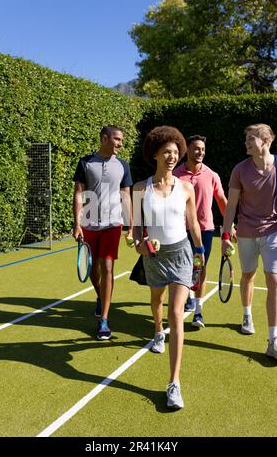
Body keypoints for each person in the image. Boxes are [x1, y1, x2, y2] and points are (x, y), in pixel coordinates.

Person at [132, 126, 204, 409]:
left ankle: (174, 383)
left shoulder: (187, 187)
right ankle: (157, 332)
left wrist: (199, 252)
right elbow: (137, 229)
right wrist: (139, 243)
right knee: (156, 301)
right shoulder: (140, 188)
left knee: (177, 313)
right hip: (154, 257)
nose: (173, 157)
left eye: (176, 152)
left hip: (182, 254)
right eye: (167, 152)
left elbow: (194, 223)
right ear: (155, 154)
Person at [222, 123, 277, 360]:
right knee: (248, 275)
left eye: (250, 139)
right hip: (246, 232)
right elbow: (231, 205)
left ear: (266, 140)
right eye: (246, 139)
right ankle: (247, 314)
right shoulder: (240, 169)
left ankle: (273, 340)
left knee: (275, 280)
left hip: (275, 232)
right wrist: (226, 236)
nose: (246, 143)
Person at [73, 126, 133, 340]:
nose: (120, 143)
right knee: (92, 269)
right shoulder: (85, 162)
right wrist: (77, 223)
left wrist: (130, 225)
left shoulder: (123, 165)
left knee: (107, 265)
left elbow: (126, 195)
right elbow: (79, 194)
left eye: (121, 140)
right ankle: (101, 296)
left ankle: (104, 320)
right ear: (104, 138)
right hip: (88, 224)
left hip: (112, 224)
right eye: (117, 139)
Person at [174, 135, 234, 328]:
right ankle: (189, 296)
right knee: (183, 269)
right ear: (188, 151)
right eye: (196, 149)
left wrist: (230, 224)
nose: (200, 152)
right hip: (180, 231)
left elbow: (222, 200)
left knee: (200, 268)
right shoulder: (175, 174)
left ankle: (198, 312)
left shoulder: (212, 175)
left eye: (203, 149)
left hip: (206, 230)